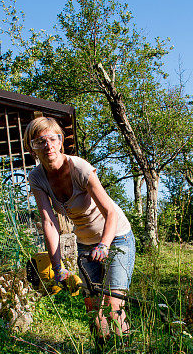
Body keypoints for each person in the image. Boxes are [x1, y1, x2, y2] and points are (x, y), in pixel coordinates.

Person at [24, 116, 135, 341]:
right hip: (86, 242)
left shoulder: (80, 168)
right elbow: (49, 222)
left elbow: (110, 212)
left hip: (116, 236)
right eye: (39, 142)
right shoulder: (37, 178)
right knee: (93, 306)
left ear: (60, 141)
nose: (48, 146)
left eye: (52, 139)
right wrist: (58, 268)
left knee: (113, 304)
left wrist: (104, 245)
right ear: (32, 148)